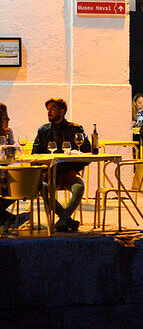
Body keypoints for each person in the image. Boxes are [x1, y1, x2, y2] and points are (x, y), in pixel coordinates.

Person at [31, 97, 91, 232]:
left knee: (79, 186)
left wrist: (74, 169)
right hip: (50, 174)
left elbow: (87, 154)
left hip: (69, 173)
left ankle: (63, 220)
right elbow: (35, 155)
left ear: (62, 111)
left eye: (52, 109)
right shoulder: (43, 130)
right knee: (43, 188)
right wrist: (44, 169)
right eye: (48, 110)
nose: (49, 112)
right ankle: (66, 220)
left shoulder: (75, 129)